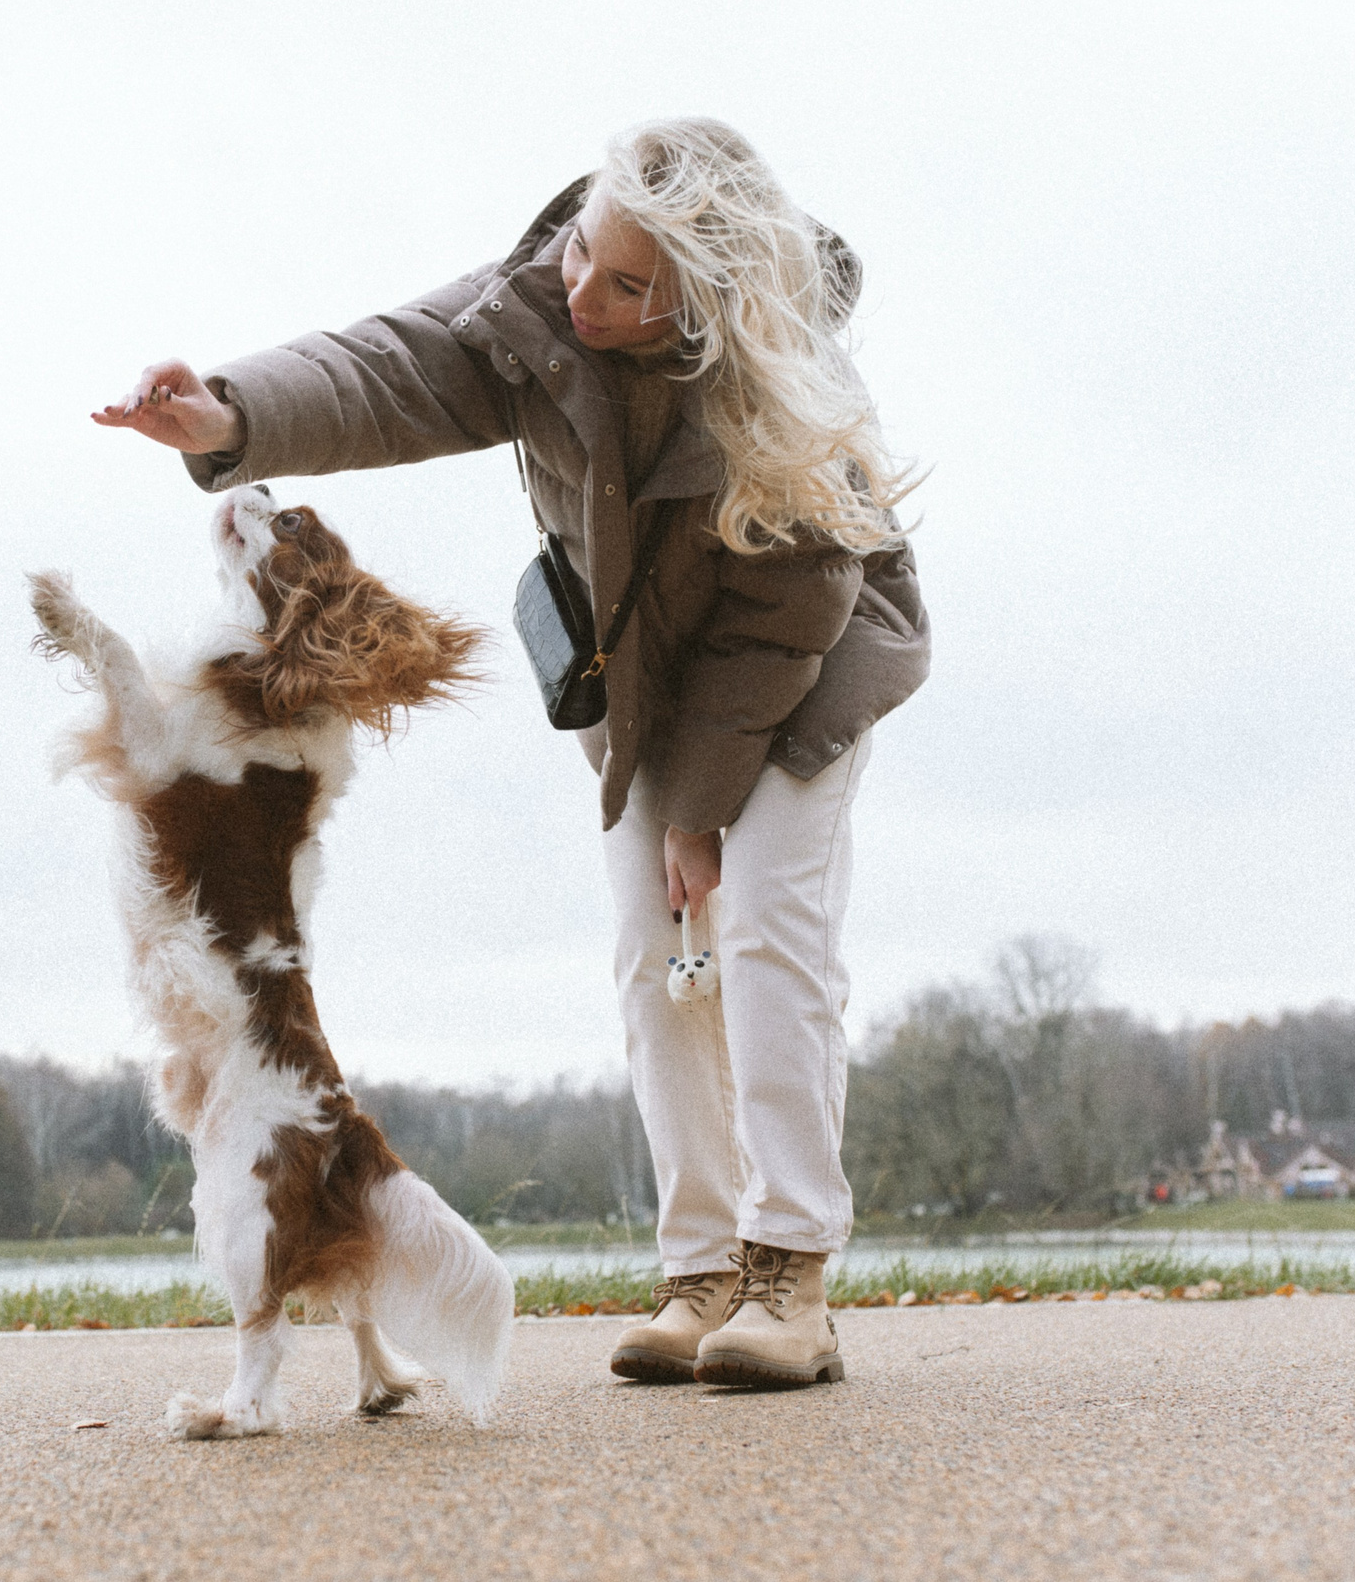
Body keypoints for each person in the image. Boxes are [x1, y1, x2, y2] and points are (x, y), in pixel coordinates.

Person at [93, 117, 929, 1389]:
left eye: (628, 285)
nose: (581, 293)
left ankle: (790, 1273)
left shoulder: (791, 384)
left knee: (760, 924)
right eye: (584, 252)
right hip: (644, 678)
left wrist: (701, 814)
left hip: (804, 671)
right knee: (656, 960)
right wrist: (230, 412)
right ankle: (701, 1271)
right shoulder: (548, 311)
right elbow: (395, 365)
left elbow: (786, 620)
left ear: (704, 300)